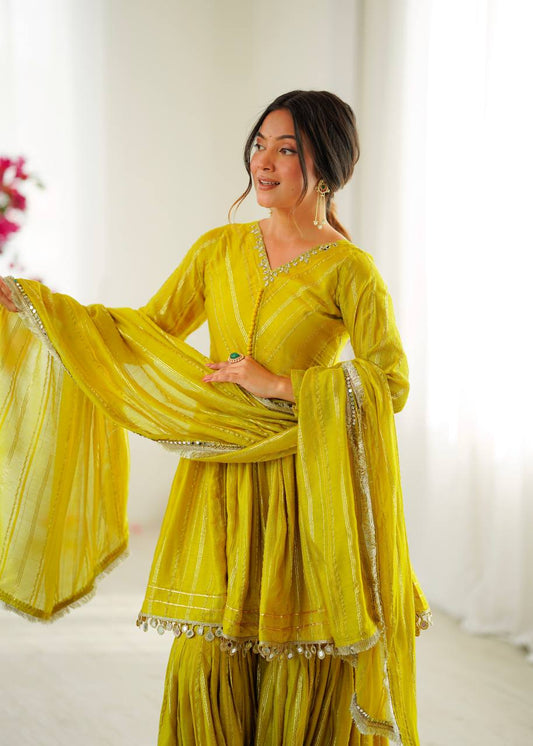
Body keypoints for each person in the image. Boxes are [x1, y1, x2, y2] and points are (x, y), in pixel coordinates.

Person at [0, 90, 431, 745]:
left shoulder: (352, 271)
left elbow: (389, 382)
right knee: (206, 657)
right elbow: (143, 334)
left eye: (285, 149)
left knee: (298, 658)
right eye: (259, 145)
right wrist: (42, 309)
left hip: (303, 485)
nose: (263, 161)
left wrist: (281, 384)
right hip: (218, 475)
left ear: (327, 163)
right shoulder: (217, 250)